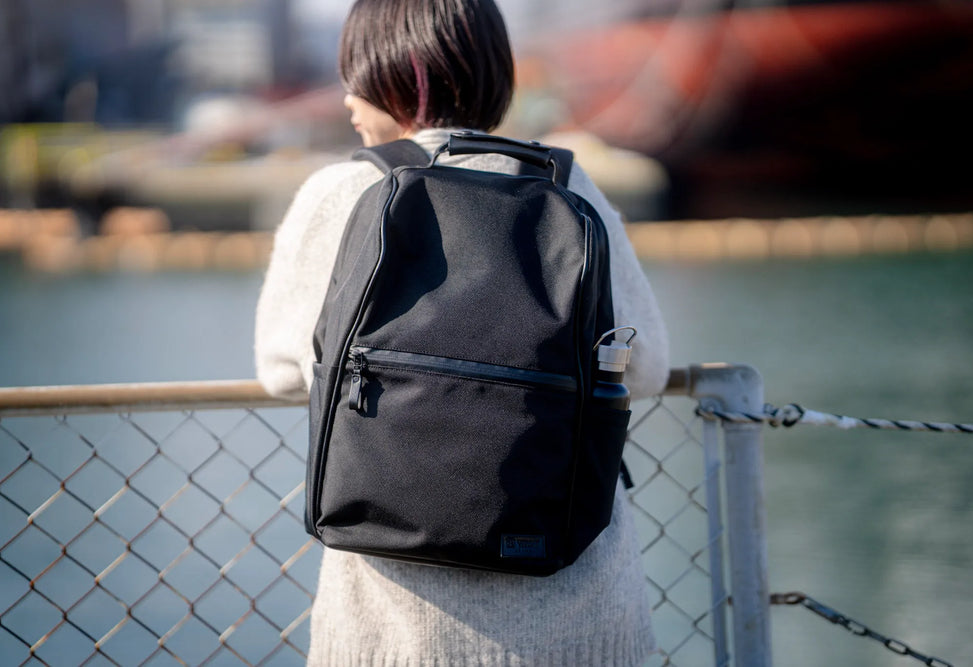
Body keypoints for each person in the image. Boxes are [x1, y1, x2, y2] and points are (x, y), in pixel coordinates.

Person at [254, 0, 671, 663]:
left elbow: (281, 369)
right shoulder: (568, 185)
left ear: (398, 73)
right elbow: (644, 368)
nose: (347, 99)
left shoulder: (343, 190)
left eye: (356, 77)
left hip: (400, 625)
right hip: (581, 615)